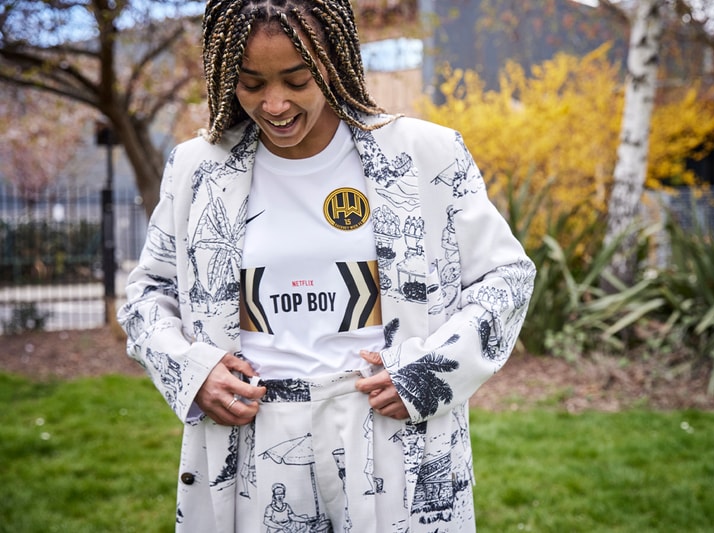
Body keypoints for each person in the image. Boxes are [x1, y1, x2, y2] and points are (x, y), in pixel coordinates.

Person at [117, 0, 535, 531]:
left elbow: (507, 278)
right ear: (224, 77)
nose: (274, 104)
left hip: (392, 427)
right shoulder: (198, 168)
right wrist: (192, 372)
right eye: (251, 84)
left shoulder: (426, 152)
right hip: (250, 436)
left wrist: (430, 374)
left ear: (333, 63)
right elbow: (148, 292)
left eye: (297, 80)